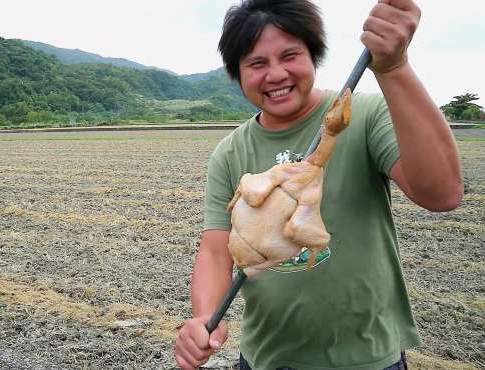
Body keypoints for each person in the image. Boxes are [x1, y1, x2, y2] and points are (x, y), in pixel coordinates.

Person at [174, 0, 463, 369]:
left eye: (290, 55)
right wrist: (203, 318)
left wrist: (394, 68)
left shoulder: (361, 116)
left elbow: (442, 193)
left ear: (314, 55)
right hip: (266, 359)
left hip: (369, 359)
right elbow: (216, 251)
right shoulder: (230, 153)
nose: (276, 74)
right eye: (257, 63)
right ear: (237, 73)